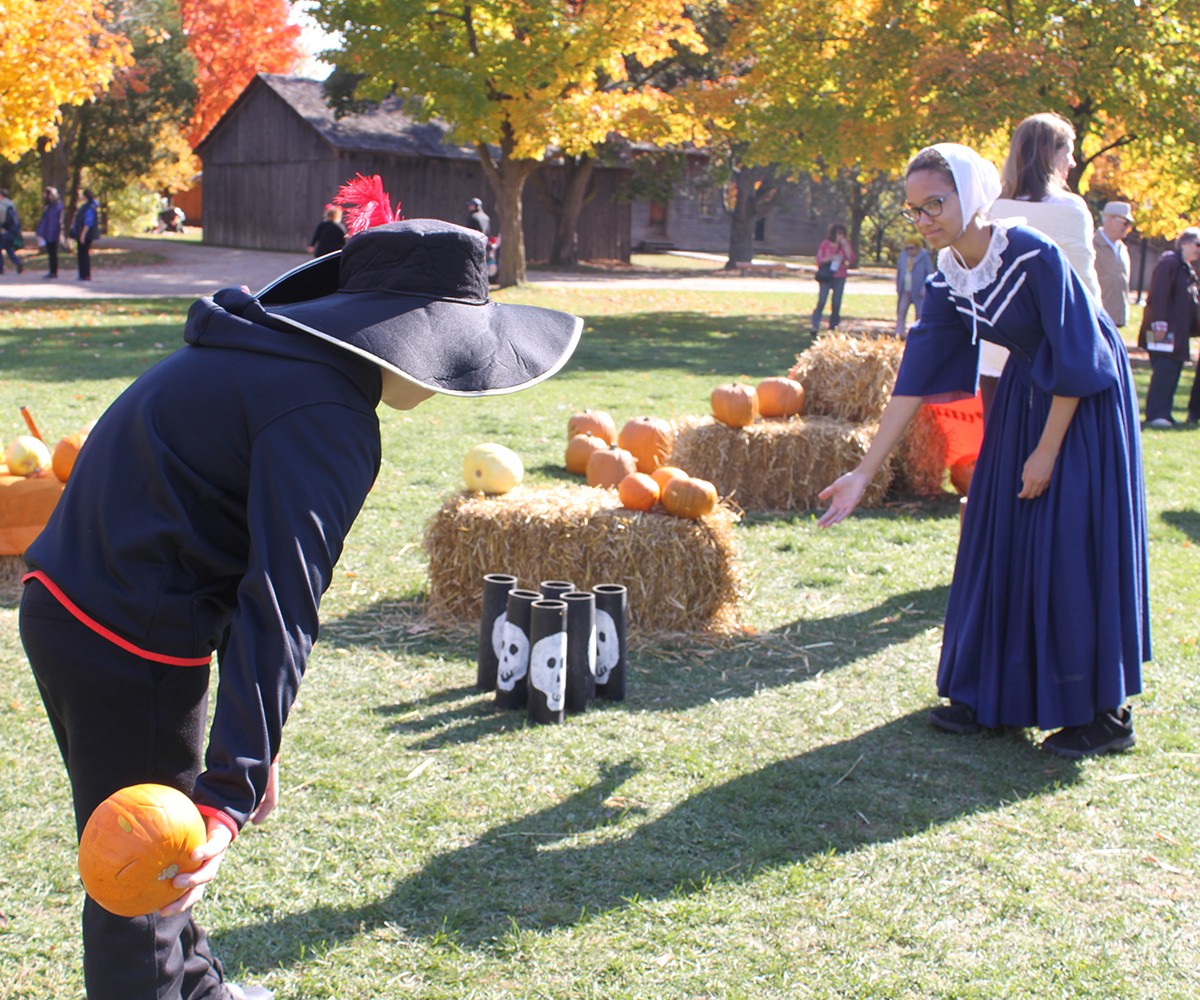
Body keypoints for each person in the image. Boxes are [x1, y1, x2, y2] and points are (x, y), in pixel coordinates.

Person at [18, 218, 582, 1000]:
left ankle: (201, 991)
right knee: (148, 865)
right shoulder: (325, 414)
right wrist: (228, 792)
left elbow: (237, 556)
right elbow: (279, 602)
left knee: (155, 838)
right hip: (123, 635)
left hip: (78, 606)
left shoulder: (275, 358)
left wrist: (249, 752)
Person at [818, 143, 1149, 759]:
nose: (924, 220)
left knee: (1065, 541)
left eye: (934, 204)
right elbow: (915, 376)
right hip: (1029, 391)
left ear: (971, 195)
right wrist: (863, 471)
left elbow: (1079, 357)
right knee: (1000, 532)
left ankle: (1104, 715)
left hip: (1083, 400)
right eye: (914, 210)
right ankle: (993, 697)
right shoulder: (946, 272)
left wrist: (1047, 453)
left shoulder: (1034, 254)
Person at [985, 112, 1103, 420]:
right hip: (1051, 358)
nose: (1073, 162)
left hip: (993, 355)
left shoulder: (989, 208)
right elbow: (1085, 290)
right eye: (1069, 151)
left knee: (1000, 453)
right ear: (1052, 153)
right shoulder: (1070, 209)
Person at [1138, 227, 1200, 428]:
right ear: (1184, 243)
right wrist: (1160, 326)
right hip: (1164, 330)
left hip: (1178, 333)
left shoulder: (1185, 268)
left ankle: (1164, 413)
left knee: (1173, 369)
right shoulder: (1169, 263)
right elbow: (1159, 296)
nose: (1199, 250)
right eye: (1197, 244)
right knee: (1164, 369)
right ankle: (1156, 414)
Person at [1093, 201, 1134, 328]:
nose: (1128, 228)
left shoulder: (1123, 248)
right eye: (1125, 223)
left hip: (1116, 320)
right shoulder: (1092, 245)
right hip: (1096, 318)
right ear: (1110, 219)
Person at [810, 223, 856, 335]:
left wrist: (845, 245)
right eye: (839, 233)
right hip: (826, 276)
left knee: (836, 303)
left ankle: (833, 327)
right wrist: (829, 258)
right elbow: (819, 259)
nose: (841, 236)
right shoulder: (825, 244)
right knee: (822, 301)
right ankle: (815, 325)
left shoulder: (845, 245)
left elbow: (851, 259)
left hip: (839, 276)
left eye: (843, 234)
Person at [895, 234, 932, 336]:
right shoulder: (903, 256)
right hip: (905, 290)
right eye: (907, 248)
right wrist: (898, 287)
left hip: (919, 290)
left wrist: (925, 288)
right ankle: (899, 333)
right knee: (901, 312)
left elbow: (930, 273)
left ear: (917, 248)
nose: (909, 251)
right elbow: (899, 272)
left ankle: (918, 334)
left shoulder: (924, 256)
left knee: (919, 314)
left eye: (911, 248)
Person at [70, 188, 100, 281]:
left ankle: (85, 274)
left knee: (83, 254)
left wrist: (82, 235)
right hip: (82, 233)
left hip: (85, 234)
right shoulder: (88, 206)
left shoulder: (88, 207)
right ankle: (82, 274)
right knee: (82, 254)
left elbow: (88, 222)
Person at [36, 186, 64, 279]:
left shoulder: (56, 206)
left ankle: (53, 271)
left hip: (53, 232)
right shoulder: (49, 207)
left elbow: (56, 221)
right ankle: (52, 270)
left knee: (53, 253)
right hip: (48, 232)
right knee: (51, 252)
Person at [0, 187, 24, 275]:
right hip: (11, 231)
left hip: (2, 231)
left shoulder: (1, 205)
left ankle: (1, 268)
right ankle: (17, 262)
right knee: (9, 249)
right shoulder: (12, 204)